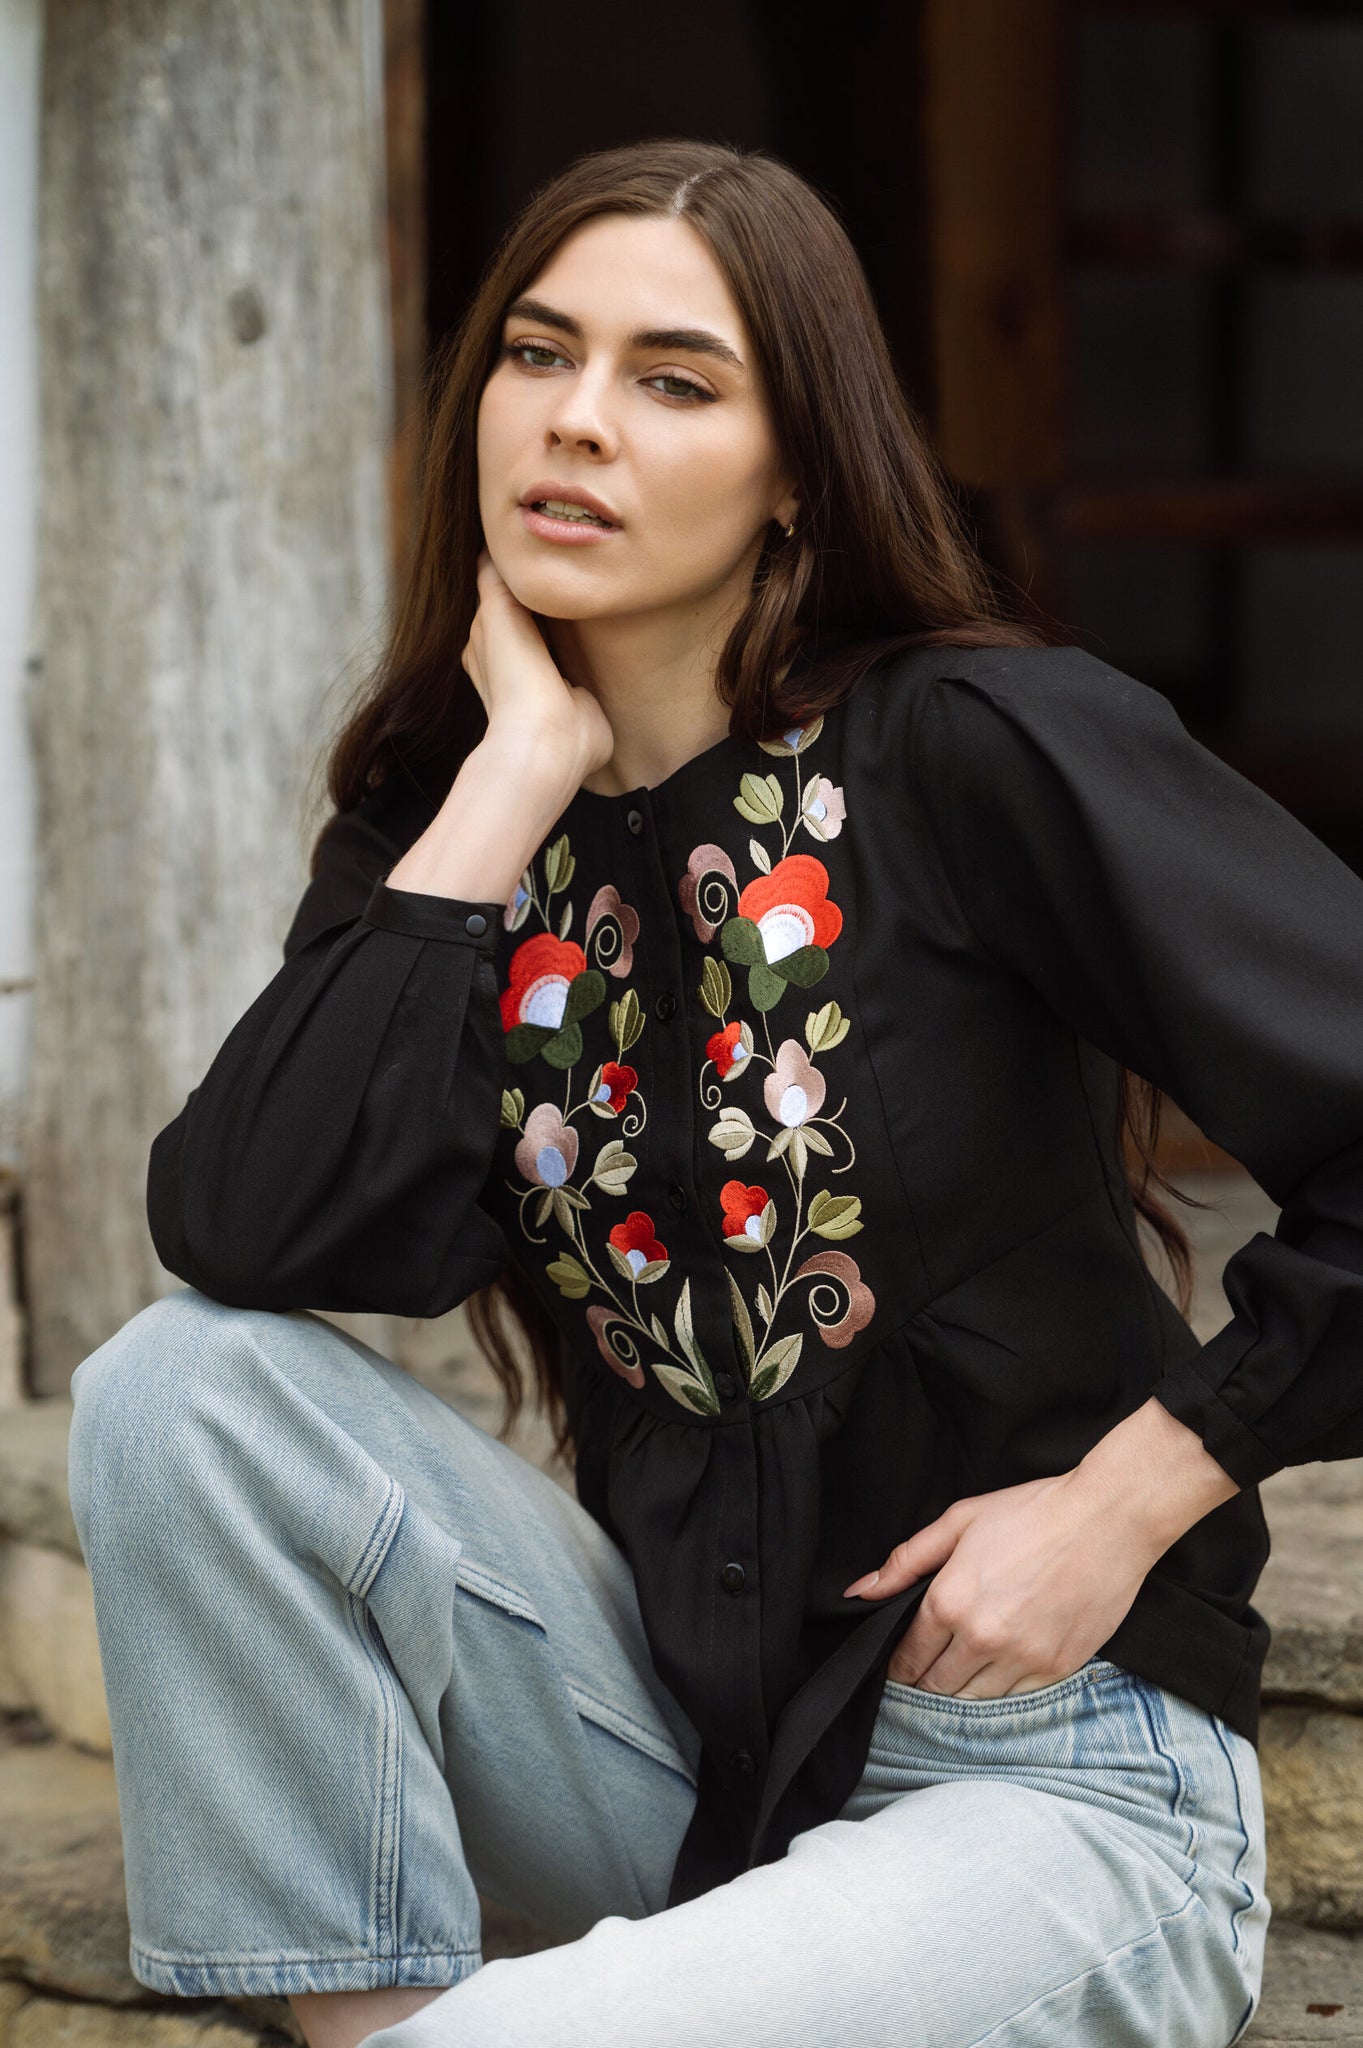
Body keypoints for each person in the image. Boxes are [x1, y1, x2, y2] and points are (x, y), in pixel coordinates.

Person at [67, 137, 1363, 2048]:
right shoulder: (450, 822)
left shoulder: (973, 747)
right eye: (537, 355)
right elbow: (247, 1228)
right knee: (174, 1389)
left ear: (796, 479)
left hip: (1059, 1782)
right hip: (688, 1770)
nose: (578, 422)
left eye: (673, 381)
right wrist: (509, 776)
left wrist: (1126, 1496)